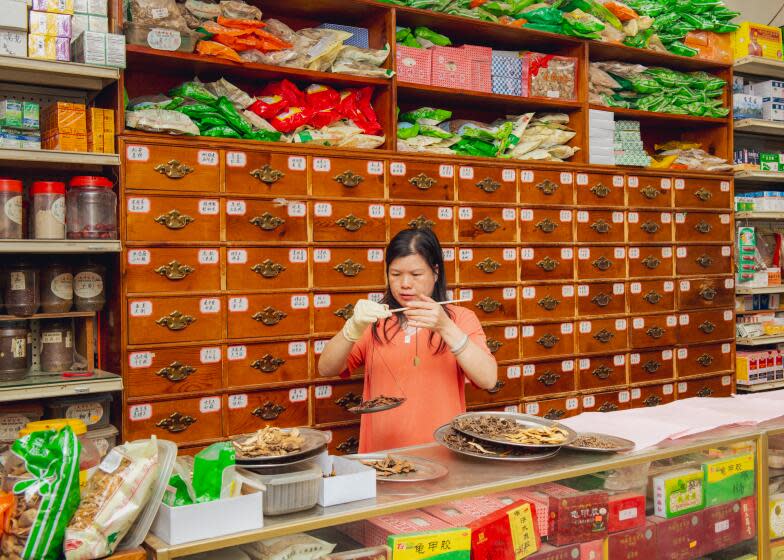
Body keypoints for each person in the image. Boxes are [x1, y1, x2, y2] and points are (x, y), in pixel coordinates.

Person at [318, 228, 498, 453]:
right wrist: (352, 327)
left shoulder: (459, 318)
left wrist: (445, 327)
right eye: (395, 274)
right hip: (381, 457)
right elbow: (326, 368)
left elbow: (488, 379)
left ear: (435, 272)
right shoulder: (376, 321)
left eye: (415, 274)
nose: (404, 284)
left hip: (443, 454)